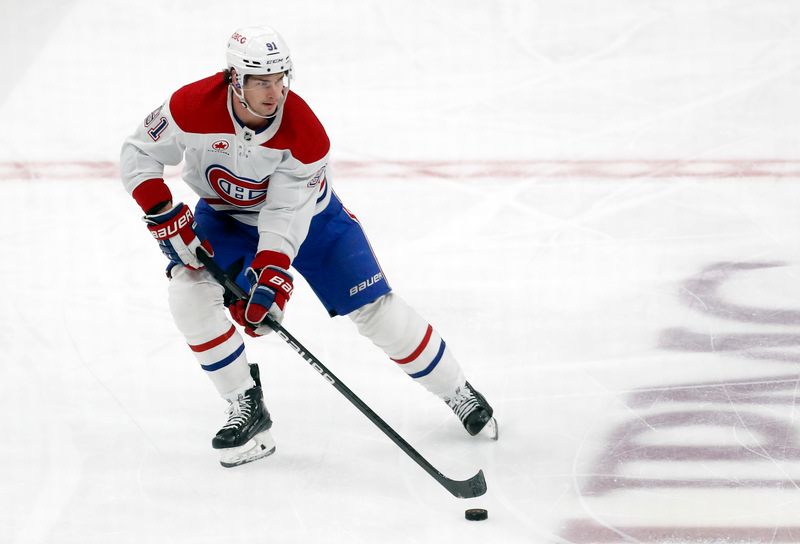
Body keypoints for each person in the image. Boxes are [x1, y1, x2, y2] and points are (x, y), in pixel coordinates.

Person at [120, 25, 497, 468]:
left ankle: (456, 389)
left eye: (281, 79)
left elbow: (285, 217)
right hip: (224, 217)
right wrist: (162, 211)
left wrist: (269, 278)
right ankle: (246, 405)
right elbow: (138, 152)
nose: (274, 92)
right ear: (234, 79)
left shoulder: (305, 133)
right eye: (262, 81)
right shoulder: (189, 106)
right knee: (187, 292)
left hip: (313, 222)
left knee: (377, 311)